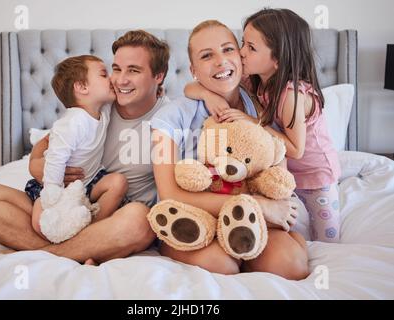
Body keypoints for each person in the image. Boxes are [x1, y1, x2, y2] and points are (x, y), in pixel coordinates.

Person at [0, 30, 170, 264]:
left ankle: (27, 255)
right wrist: (35, 165)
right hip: (66, 198)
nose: (119, 80)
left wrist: (206, 94)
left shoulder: (171, 117)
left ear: (158, 77)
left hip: (110, 213)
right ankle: (76, 250)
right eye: (116, 69)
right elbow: (48, 144)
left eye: (134, 70)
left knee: (140, 220)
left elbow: (199, 95)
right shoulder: (99, 105)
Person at [150, 20, 309, 279]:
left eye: (227, 50)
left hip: (254, 219)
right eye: (206, 56)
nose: (220, 61)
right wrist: (252, 203)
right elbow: (168, 194)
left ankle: (282, 246)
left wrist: (267, 207)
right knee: (220, 266)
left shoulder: (260, 108)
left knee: (289, 266)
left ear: (241, 57)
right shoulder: (170, 117)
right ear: (193, 69)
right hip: (195, 218)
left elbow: (278, 181)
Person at [186, 9, 341, 243]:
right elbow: (189, 87)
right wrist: (210, 97)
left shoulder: (291, 95)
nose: (240, 52)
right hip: (285, 174)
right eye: (242, 43)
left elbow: (296, 149)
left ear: (276, 59)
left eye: (251, 47)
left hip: (315, 175)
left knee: (327, 239)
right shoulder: (256, 80)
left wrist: (253, 122)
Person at [26, 55, 128, 241]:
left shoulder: (104, 109)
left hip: (89, 181)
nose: (112, 79)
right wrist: (53, 192)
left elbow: (130, 93)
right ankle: (63, 239)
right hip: (57, 185)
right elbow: (56, 158)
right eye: (104, 74)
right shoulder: (73, 122)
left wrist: (156, 90)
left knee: (118, 182)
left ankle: (89, 230)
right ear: (82, 87)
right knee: (39, 221)